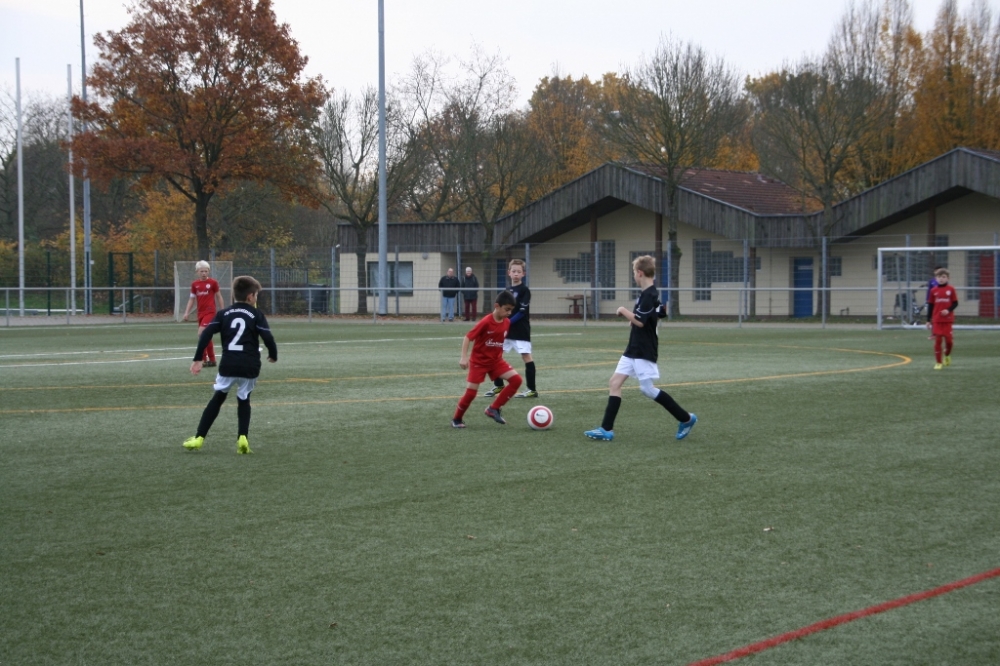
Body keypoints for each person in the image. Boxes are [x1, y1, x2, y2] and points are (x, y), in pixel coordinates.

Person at [584, 255, 697, 442]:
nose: (634, 277)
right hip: (633, 347)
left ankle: (686, 418)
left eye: (634, 274)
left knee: (648, 389)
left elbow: (641, 322)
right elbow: (661, 312)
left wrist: (623, 311)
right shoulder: (650, 294)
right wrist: (644, 317)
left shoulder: (648, 294)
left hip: (643, 349)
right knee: (614, 383)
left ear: (639, 273)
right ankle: (606, 429)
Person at [183, 276, 278, 454]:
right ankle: (243, 438)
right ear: (250, 296)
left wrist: (198, 359)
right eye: (256, 295)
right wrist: (273, 355)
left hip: (228, 364)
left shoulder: (224, 314)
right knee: (244, 399)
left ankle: (198, 438)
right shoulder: (257, 315)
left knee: (218, 398)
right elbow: (268, 338)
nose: (256, 298)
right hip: (250, 366)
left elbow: (205, 334)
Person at [452, 290, 523, 428]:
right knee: (471, 393)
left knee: (516, 380)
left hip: (496, 361)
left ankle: (493, 408)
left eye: (511, 310)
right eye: (507, 309)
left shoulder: (506, 322)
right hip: (479, 362)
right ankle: (457, 419)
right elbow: (468, 337)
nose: (509, 313)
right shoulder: (486, 322)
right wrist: (463, 357)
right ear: (497, 306)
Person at [484, 258, 538, 399]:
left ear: (523, 274)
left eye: (518, 272)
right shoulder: (507, 290)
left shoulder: (525, 290)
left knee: (526, 356)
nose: (516, 274)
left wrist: (507, 322)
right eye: (513, 271)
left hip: (520, 330)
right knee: (495, 354)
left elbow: (521, 312)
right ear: (508, 272)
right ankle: (498, 385)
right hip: (506, 331)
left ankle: (532, 389)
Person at [181, 260, 225, 367]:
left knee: (202, 333)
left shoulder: (213, 283)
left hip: (210, 312)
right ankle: (212, 360)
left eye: (206, 271)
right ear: (197, 272)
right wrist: (186, 312)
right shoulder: (195, 284)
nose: (204, 273)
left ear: (209, 271)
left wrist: (223, 311)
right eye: (201, 271)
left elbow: (219, 296)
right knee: (206, 336)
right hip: (200, 313)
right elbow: (191, 299)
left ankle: (203, 359)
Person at [926, 267, 958, 370]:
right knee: (938, 340)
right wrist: (928, 320)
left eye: (943, 277)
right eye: (939, 277)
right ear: (936, 278)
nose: (941, 279)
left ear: (947, 278)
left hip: (948, 320)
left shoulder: (951, 289)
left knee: (949, 341)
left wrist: (948, 310)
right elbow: (930, 305)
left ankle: (947, 354)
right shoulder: (933, 290)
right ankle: (938, 362)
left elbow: (955, 303)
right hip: (937, 320)